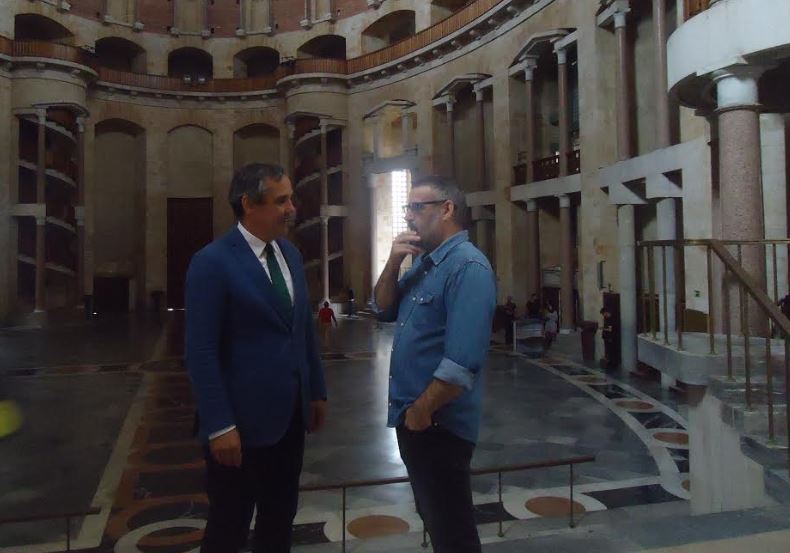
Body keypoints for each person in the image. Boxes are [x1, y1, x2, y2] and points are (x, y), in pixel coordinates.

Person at [185, 163, 327, 553]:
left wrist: (316, 390)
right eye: (281, 200)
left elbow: (303, 331)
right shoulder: (212, 263)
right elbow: (200, 351)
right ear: (248, 204)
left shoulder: (291, 255)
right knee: (228, 529)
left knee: (279, 524)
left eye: (291, 199)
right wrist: (219, 425)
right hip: (239, 429)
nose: (291, 208)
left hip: (290, 422)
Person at [374, 175, 496, 553]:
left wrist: (420, 412)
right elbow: (383, 308)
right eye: (406, 207)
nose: (408, 217)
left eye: (416, 207)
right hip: (417, 420)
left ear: (446, 210)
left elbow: (461, 364)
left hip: (439, 425)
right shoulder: (428, 263)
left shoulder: (467, 268)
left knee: (453, 533)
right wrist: (393, 261)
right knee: (438, 525)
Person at [600, 306, 621, 371]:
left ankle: (613, 363)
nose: (603, 315)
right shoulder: (608, 319)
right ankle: (610, 362)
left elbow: (610, 329)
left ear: (606, 312)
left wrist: (602, 328)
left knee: (612, 351)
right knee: (609, 351)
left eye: (603, 314)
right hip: (608, 338)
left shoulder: (612, 319)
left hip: (611, 338)